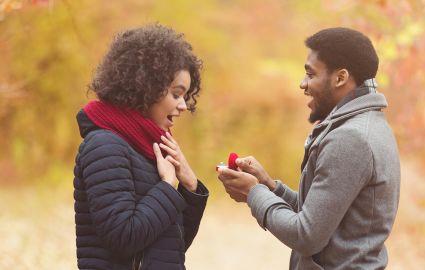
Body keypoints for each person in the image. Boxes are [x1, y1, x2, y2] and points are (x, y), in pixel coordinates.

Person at [217, 27, 400, 270]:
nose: (303, 84)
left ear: (340, 78)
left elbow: (306, 236)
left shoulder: (350, 138)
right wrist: (269, 187)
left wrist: (253, 194)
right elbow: (318, 216)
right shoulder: (368, 125)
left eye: (310, 74)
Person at [73, 24, 208, 270]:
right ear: (147, 86)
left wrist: (189, 186)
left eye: (185, 96)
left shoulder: (149, 147)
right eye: (176, 94)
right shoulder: (104, 146)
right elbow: (124, 238)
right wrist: (167, 187)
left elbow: (168, 249)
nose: (184, 106)